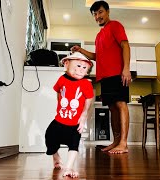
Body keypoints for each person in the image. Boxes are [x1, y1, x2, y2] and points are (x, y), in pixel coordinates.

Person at [71, 0, 131, 154]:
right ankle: (116, 141)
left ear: (108, 12)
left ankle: (123, 143)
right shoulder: (99, 36)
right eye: (95, 14)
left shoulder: (115, 26)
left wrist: (126, 69)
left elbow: (125, 45)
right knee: (112, 108)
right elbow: (97, 56)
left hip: (118, 73)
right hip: (104, 77)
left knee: (120, 104)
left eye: (100, 12)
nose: (98, 16)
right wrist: (81, 49)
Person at [45, 52, 94, 178]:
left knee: (74, 144)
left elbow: (89, 99)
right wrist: (61, 104)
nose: (81, 70)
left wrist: (84, 115)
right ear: (66, 64)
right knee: (49, 136)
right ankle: (56, 157)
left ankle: (69, 167)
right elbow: (58, 92)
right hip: (59, 120)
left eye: (84, 68)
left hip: (74, 124)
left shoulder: (86, 84)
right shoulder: (61, 79)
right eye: (78, 66)